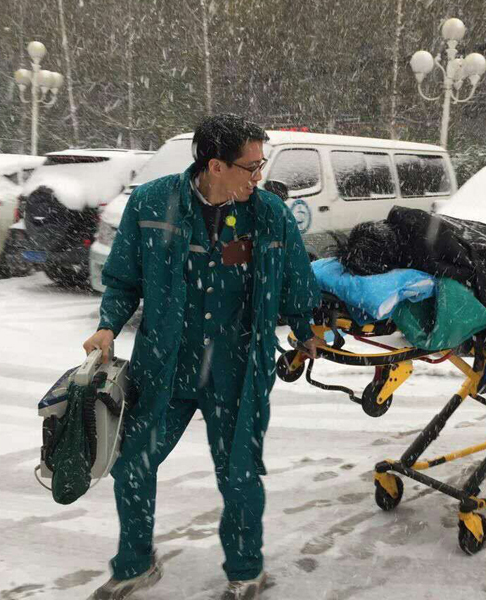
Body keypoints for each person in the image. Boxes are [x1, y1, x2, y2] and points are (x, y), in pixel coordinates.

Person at [83, 114, 321, 600]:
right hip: (165, 365)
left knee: (239, 474)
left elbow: (297, 281)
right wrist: (108, 325)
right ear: (215, 165)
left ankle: (247, 569)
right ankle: (135, 563)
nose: (259, 177)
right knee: (133, 464)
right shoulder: (152, 203)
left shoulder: (270, 215)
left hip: (237, 369)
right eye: (250, 167)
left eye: (261, 165)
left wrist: (305, 331)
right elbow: (124, 278)